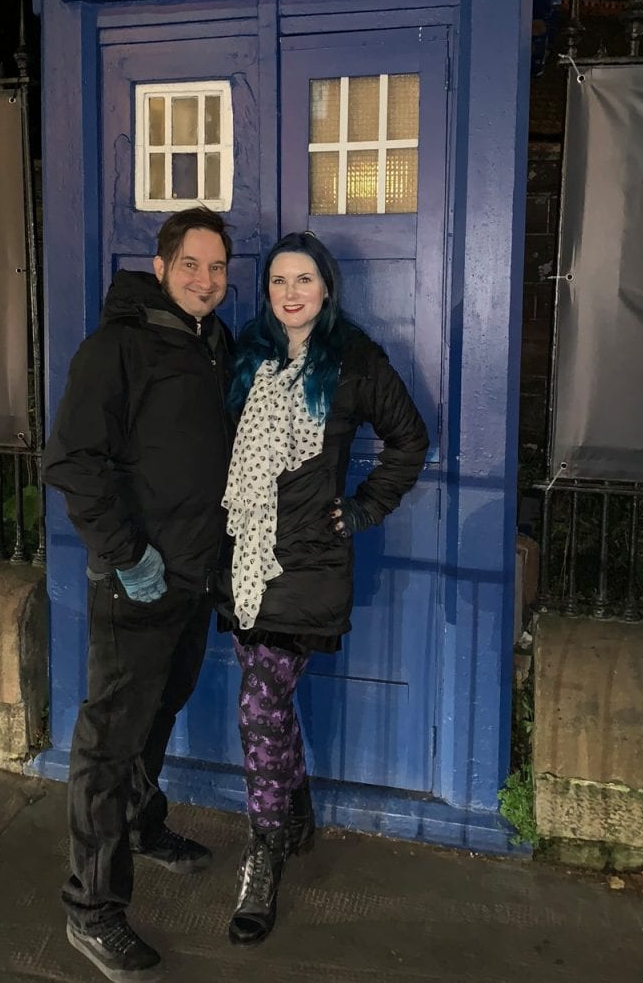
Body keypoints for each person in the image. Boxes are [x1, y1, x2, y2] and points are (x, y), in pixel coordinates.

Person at [216, 231, 429, 947]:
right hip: (247, 557)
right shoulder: (248, 359)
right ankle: (295, 812)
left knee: (258, 701)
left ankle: (266, 851)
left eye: (303, 278)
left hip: (309, 563)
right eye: (278, 280)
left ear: (326, 287)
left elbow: (410, 440)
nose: (290, 292)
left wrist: (364, 507)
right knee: (268, 702)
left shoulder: (355, 362)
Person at [42, 206, 234, 982]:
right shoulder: (116, 347)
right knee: (109, 741)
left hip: (192, 578)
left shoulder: (211, 344)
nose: (205, 280)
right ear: (159, 268)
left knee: (158, 715)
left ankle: (144, 827)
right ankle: (91, 910)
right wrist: (127, 557)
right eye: (191, 265)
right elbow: (73, 462)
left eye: (218, 268)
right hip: (135, 583)